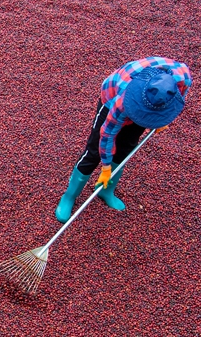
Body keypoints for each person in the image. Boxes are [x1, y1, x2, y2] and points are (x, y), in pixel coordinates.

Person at [55, 57, 192, 221]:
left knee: (126, 148)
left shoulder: (182, 78)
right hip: (113, 95)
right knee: (93, 154)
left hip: (147, 101)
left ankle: (105, 191)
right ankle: (70, 196)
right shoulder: (120, 103)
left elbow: (179, 100)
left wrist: (162, 118)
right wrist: (105, 168)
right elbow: (106, 136)